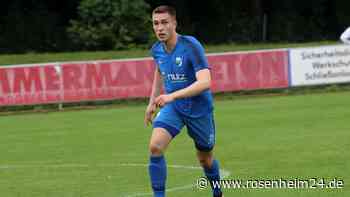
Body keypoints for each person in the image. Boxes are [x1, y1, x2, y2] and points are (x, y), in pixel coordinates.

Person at [144, 5, 223, 197]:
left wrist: (171, 95)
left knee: (205, 159)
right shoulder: (157, 50)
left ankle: (217, 191)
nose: (160, 28)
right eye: (156, 23)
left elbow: (205, 82)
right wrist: (152, 101)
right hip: (174, 108)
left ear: (174, 24)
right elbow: (159, 71)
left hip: (199, 110)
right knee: (155, 147)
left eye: (164, 23)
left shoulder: (190, 45)